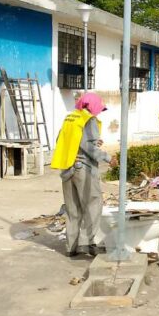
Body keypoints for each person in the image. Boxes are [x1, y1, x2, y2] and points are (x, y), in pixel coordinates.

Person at [50, 93, 117, 257]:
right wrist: (108, 158)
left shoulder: (70, 118)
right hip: (83, 168)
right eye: (98, 109)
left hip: (67, 168)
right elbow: (88, 147)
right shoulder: (89, 119)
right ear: (92, 106)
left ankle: (71, 247)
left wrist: (93, 142)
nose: (98, 113)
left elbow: (64, 139)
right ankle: (86, 244)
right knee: (93, 204)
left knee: (73, 210)